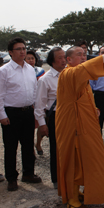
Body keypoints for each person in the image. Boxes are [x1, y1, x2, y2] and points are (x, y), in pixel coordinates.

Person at [55, 46, 104, 208]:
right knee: (75, 159)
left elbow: (86, 97)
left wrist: (93, 109)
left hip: (84, 124)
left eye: (84, 54)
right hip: (73, 127)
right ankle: (72, 198)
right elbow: (84, 69)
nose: (83, 57)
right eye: (79, 55)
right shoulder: (68, 74)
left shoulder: (81, 78)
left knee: (88, 159)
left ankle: (79, 191)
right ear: (68, 60)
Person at [0, 37, 41, 191]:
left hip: (28, 111)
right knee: (11, 146)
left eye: (24, 48)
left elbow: (34, 90)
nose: (22, 51)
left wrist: (35, 110)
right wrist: (2, 115)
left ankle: (28, 173)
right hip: (11, 113)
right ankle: (11, 178)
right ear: (10, 52)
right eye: (18, 49)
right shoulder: (3, 71)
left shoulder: (30, 69)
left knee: (28, 145)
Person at [34, 47, 66, 189]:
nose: (63, 60)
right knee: (56, 149)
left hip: (69, 116)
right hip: (55, 117)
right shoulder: (45, 79)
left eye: (64, 57)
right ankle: (57, 180)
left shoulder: (69, 74)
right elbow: (39, 104)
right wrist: (42, 124)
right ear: (52, 61)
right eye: (59, 58)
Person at [26, 50, 46, 155]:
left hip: (40, 101)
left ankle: (38, 143)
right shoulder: (23, 72)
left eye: (32, 58)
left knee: (41, 125)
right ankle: (31, 148)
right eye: (28, 58)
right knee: (30, 127)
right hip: (29, 103)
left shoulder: (40, 71)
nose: (30, 61)